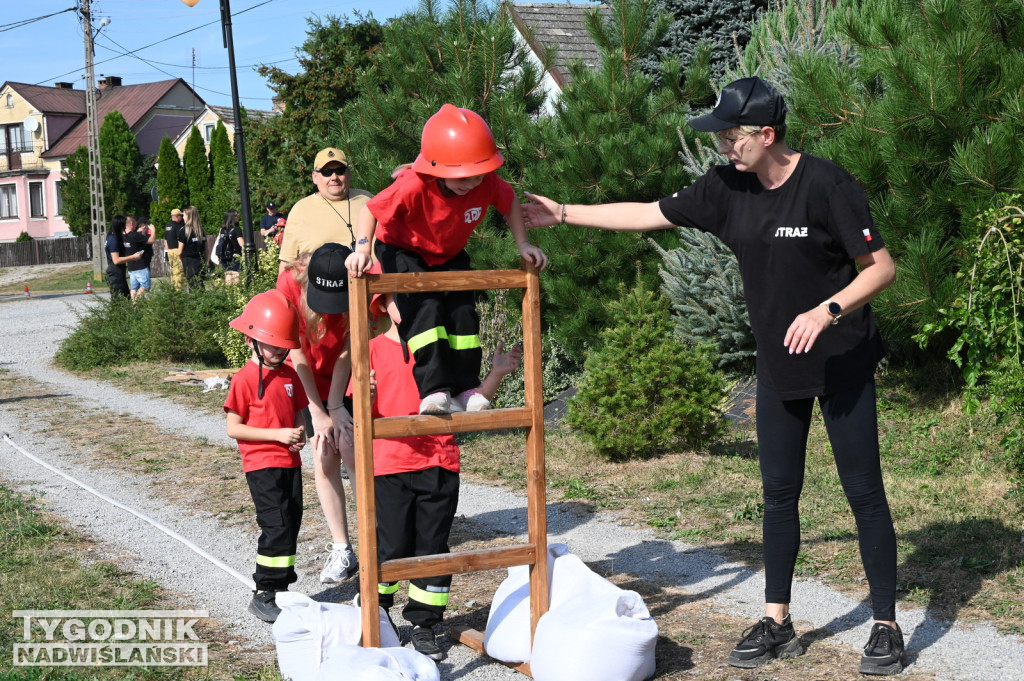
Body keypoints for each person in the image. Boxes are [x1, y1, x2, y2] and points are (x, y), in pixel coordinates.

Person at [522, 77, 904, 676]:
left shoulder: (828, 185)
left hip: (844, 363)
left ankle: (884, 624)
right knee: (779, 496)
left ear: (767, 134)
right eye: (722, 136)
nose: (723, 146)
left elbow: (880, 268)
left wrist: (826, 310)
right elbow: (651, 213)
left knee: (863, 494)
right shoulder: (727, 186)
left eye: (732, 135)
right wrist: (563, 213)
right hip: (779, 368)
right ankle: (777, 618)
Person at [345, 104, 547, 415]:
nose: (471, 184)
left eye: (478, 176)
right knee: (427, 310)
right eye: (462, 177)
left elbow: (510, 206)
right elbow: (369, 210)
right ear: (437, 169)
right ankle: (434, 390)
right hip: (403, 249)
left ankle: (465, 389)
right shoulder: (413, 184)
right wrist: (361, 249)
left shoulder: (487, 182)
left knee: (463, 313)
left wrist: (523, 244)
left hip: (447, 252)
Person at [357, 287, 522, 660]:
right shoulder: (369, 351)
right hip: (390, 465)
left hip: (438, 461)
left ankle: (425, 623)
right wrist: (363, 396)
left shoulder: (440, 350)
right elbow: (359, 416)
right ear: (383, 304)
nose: (410, 305)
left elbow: (468, 403)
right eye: (400, 298)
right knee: (392, 547)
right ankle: (376, 612)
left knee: (433, 546)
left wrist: (495, 374)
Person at [224, 289, 308, 623]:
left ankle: (282, 588)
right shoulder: (244, 379)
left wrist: (299, 434)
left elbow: (298, 411)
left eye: (284, 346)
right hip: (262, 465)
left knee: (292, 522)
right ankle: (264, 591)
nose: (279, 352)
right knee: (275, 525)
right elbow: (234, 427)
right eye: (273, 345)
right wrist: (276, 435)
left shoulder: (289, 375)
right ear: (251, 340)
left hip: (291, 463)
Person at [276, 242, 359, 584]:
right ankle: (343, 549)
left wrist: (337, 404)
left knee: (353, 451)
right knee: (323, 455)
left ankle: (377, 543)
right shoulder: (288, 284)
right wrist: (317, 409)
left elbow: (352, 346)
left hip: (349, 374)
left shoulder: (358, 279)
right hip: (309, 376)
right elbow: (294, 350)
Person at [278, 148, 374, 273]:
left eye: (340, 171)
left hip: (373, 288)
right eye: (326, 172)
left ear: (349, 174)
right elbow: (287, 264)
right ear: (315, 177)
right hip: (323, 291)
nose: (334, 177)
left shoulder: (368, 200)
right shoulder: (300, 210)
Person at [122, 216, 156, 302]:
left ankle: (133, 304)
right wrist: (153, 229)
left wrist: (141, 232)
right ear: (132, 224)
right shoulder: (135, 236)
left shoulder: (123, 237)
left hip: (131, 266)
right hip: (140, 266)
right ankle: (136, 302)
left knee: (134, 288)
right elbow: (151, 240)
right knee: (145, 286)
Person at [176, 205, 207, 289]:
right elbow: (206, 249)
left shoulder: (184, 230)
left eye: (184, 215)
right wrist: (206, 261)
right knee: (200, 285)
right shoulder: (201, 230)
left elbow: (179, 251)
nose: (183, 217)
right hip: (200, 261)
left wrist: (180, 262)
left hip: (189, 262)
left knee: (193, 286)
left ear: (189, 216)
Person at [104, 215, 133, 299]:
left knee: (125, 298)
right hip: (115, 272)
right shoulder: (113, 239)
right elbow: (116, 260)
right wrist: (133, 257)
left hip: (117, 271)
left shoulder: (111, 237)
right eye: (124, 225)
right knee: (120, 299)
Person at [218, 209, 245, 285]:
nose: (238, 217)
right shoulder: (236, 229)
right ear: (231, 217)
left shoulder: (223, 230)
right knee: (236, 276)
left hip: (224, 256)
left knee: (228, 276)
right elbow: (241, 243)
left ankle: (229, 294)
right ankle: (236, 293)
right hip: (235, 256)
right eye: (236, 215)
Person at [165, 208, 184, 288]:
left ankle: (173, 289)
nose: (182, 217)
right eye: (181, 216)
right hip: (177, 250)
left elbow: (165, 240)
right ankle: (178, 291)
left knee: (173, 271)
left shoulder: (167, 227)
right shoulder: (178, 227)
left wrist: (166, 252)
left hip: (169, 251)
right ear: (177, 216)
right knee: (179, 271)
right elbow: (180, 240)